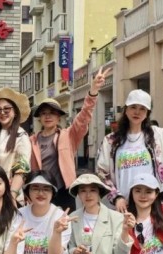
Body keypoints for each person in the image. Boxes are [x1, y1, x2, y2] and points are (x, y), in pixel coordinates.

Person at [29, 67, 110, 211]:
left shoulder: (68, 135)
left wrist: (93, 91)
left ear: (58, 117)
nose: (48, 116)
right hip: (40, 191)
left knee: (66, 223)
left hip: (64, 192)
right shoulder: (31, 141)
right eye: (44, 113)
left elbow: (84, 116)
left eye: (52, 113)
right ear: (40, 118)